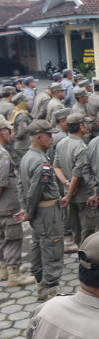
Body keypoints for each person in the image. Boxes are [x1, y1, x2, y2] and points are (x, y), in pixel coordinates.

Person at [15, 120, 63, 300]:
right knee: (53, 247)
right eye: (49, 135)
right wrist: (28, 212)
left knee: (39, 245)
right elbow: (35, 190)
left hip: (37, 212)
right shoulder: (40, 161)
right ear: (38, 137)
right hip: (46, 213)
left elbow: (21, 187)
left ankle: (40, 279)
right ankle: (50, 288)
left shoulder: (27, 157)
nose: (52, 138)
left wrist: (26, 210)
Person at [0, 117, 34, 287]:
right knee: (13, 238)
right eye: (8, 131)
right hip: (7, 206)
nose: (10, 134)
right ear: (3, 132)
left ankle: (4, 268)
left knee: (1, 238)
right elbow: (1, 183)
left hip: (2, 207)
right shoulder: (3, 154)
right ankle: (14, 274)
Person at [56, 113, 95, 247]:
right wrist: (69, 193)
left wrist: (66, 184)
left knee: (76, 228)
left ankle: (81, 252)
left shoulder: (61, 143)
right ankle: (87, 257)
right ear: (81, 127)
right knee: (88, 229)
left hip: (69, 193)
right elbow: (77, 176)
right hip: (82, 195)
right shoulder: (82, 147)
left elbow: (56, 167)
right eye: (86, 124)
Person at [10, 92, 32, 166]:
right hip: (23, 146)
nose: (29, 103)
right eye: (27, 101)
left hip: (19, 145)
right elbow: (22, 132)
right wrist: (15, 136)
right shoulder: (22, 115)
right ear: (22, 103)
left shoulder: (16, 112)